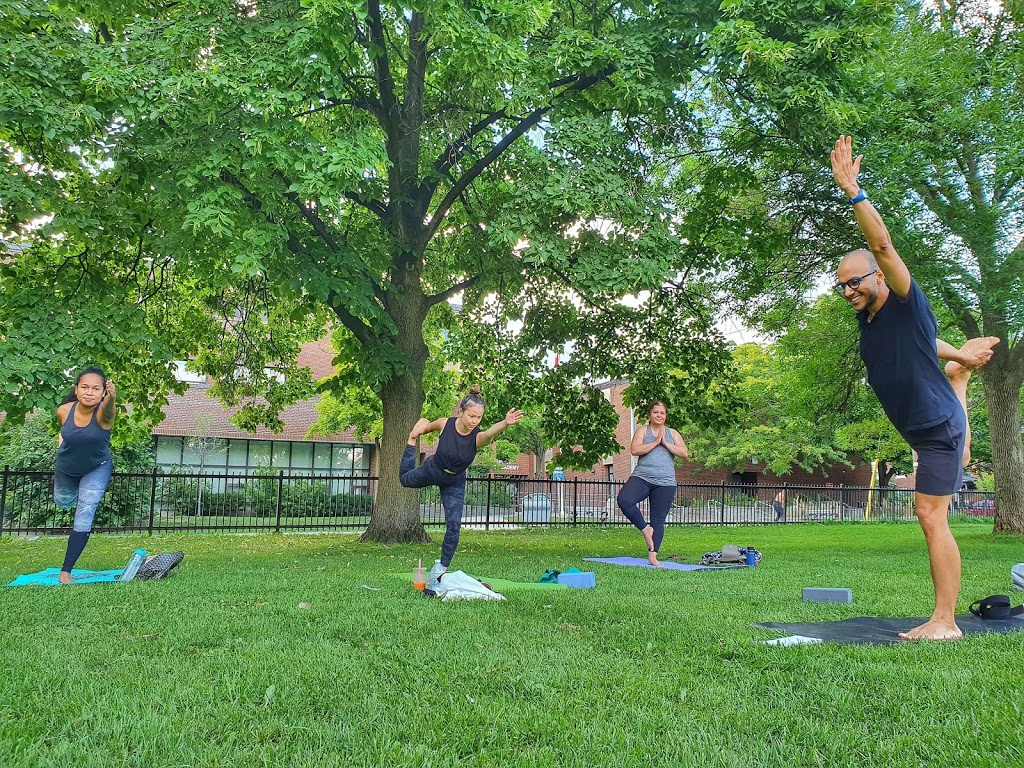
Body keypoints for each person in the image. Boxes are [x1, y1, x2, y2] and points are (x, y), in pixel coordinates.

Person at [830, 135, 1000, 640]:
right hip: (925, 424)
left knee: (930, 514)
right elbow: (928, 340)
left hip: (933, 427)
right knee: (959, 458)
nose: (848, 290)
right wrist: (962, 354)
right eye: (840, 285)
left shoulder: (902, 297)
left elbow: (882, 244)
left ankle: (945, 622)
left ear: (879, 277)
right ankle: (960, 381)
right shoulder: (874, 319)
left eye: (855, 281)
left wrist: (855, 192)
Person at [401, 386, 523, 589]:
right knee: (405, 480)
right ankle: (409, 441)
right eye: (471, 416)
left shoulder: (478, 438)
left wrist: (505, 423)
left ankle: (440, 570)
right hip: (433, 469)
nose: (475, 421)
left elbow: (490, 432)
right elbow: (428, 428)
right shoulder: (445, 423)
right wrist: (417, 433)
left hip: (454, 481)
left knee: (454, 526)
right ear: (461, 412)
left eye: (479, 417)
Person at [54, 367, 117, 584]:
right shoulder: (63, 410)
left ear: (102, 393)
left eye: (96, 388)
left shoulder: (105, 413)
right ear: (77, 389)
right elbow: (65, 431)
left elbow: (108, 410)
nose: (90, 392)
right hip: (66, 468)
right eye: (85, 387)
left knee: (86, 511)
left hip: (97, 468)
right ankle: (68, 496)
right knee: (63, 502)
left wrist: (112, 398)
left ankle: (66, 571)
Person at [617, 402, 688, 567]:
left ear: (666, 415)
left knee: (658, 520)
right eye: (656, 412)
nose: (659, 415)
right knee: (624, 500)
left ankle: (653, 556)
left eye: (662, 413)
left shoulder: (672, 433)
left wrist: (665, 443)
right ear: (650, 414)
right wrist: (655, 442)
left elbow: (684, 452)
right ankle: (644, 529)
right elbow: (635, 450)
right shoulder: (643, 430)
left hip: (665, 482)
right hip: (642, 477)